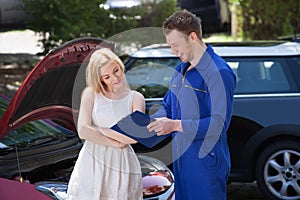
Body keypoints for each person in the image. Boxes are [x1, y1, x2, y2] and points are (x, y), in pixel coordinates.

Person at [147, 10, 236, 200]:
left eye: (175, 45)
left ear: (192, 37)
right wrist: (154, 121)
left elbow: (219, 123)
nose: (173, 51)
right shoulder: (181, 68)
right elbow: (168, 105)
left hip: (206, 165)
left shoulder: (218, 72)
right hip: (181, 160)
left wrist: (175, 125)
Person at [67, 48, 145, 200]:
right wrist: (115, 141)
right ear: (100, 79)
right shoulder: (90, 94)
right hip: (92, 161)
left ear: (120, 66)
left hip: (122, 162)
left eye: (116, 71)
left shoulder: (136, 98)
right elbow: (83, 130)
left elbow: (134, 137)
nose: (115, 78)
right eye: (107, 77)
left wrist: (97, 129)